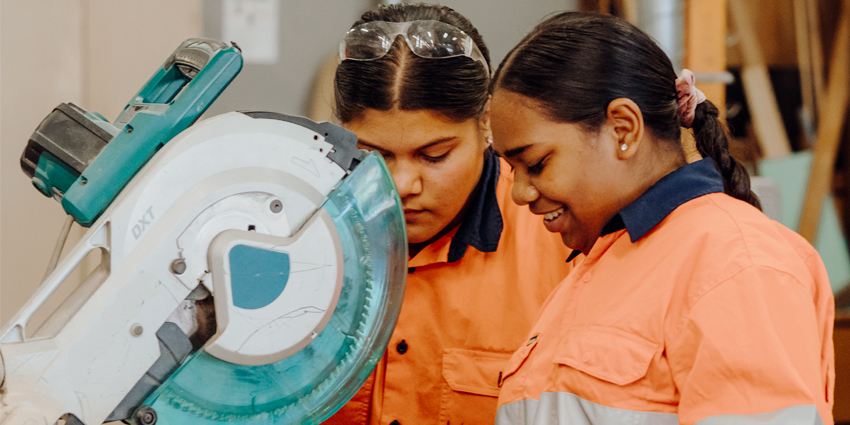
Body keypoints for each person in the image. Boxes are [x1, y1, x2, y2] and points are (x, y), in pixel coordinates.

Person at [488, 12, 834, 425]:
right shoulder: (598, 266)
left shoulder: (737, 265)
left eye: (538, 163)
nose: (520, 193)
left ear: (623, 128)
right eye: (511, 169)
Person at [323, 4, 575, 425]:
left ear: (486, 123)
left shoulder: (563, 245)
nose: (403, 183)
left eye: (434, 155)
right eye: (374, 154)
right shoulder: (300, 227)